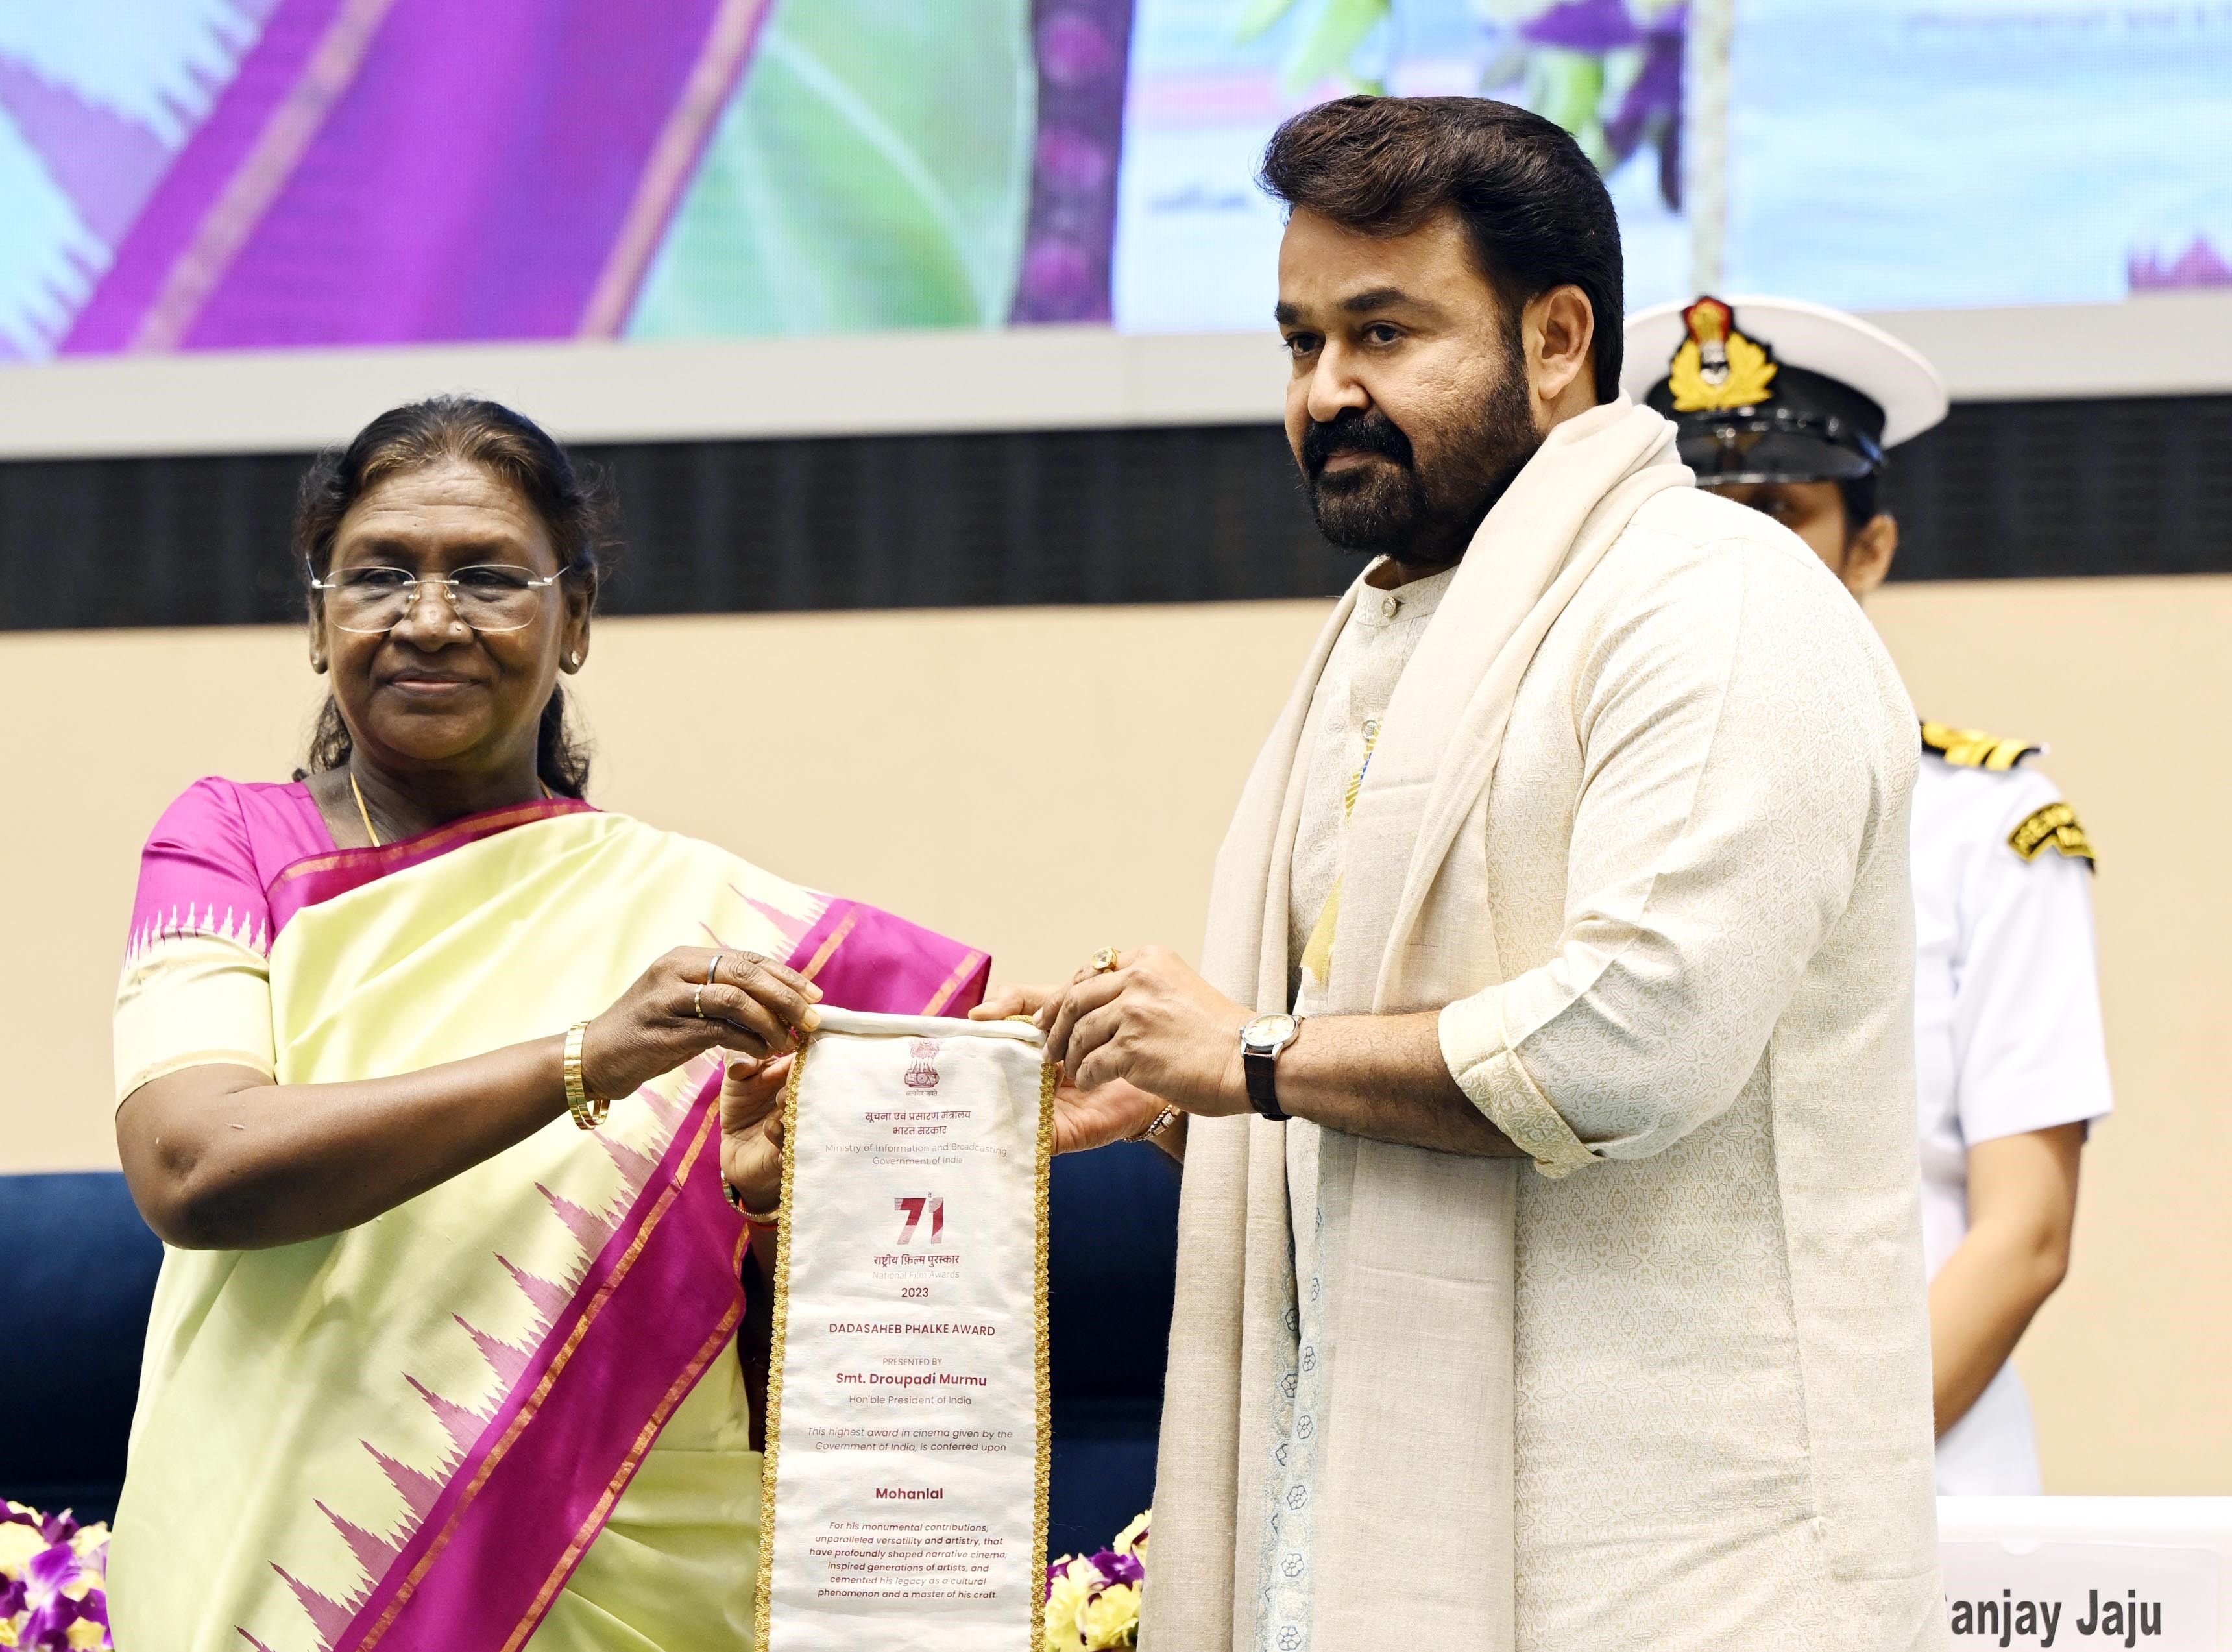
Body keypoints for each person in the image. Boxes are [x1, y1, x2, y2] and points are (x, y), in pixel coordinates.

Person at [980, 97, 1945, 1649]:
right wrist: (1174, 1100)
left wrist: (1247, 1056)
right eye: (1300, 342)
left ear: (1556, 338)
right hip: (1392, 1546)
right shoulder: (1392, 630)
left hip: (1684, 1571)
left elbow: (1632, 1040)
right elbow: (1352, 1071)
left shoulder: (1714, 601)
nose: (1326, 392)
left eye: (1383, 333)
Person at [106, 398, 1001, 1651]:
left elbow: (859, 1324)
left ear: (573, 619)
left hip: (620, 1578)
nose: (429, 618)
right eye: (378, 576)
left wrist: (768, 1200)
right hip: (282, 1576)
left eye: (486, 578)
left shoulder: (711, 926)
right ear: (317, 619)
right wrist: (589, 1057)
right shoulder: (229, 844)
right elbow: (194, 1166)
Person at [1622, 294, 2113, 1493]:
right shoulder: (1596, 815)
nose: (1738, 553)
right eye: (1701, 514)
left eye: (1781, 512)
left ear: (1870, 550)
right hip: (1649, 1492)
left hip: (1914, 1485)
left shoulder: (1990, 825)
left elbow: (2026, 1232)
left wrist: (1823, 1484)